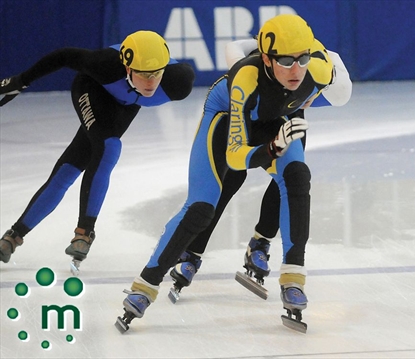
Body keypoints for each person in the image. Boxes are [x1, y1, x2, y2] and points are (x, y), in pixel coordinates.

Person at [117, 14, 336, 331]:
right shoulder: (245, 78)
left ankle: (293, 277)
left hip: (277, 119)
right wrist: (272, 149)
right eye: (286, 60)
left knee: (298, 178)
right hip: (225, 117)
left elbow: (318, 88)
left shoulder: (321, 68)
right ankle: (145, 286)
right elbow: (236, 155)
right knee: (201, 208)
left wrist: (290, 123)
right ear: (265, 58)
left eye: (302, 59)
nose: (295, 70)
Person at [169, 38, 352, 298]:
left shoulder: (323, 73)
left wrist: (303, 98)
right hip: (250, 107)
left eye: (312, 92)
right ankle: (193, 250)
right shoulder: (261, 57)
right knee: (230, 177)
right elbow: (234, 50)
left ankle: (261, 242)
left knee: (290, 178)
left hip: (285, 114)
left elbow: (341, 92)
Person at [0, 31, 195, 271]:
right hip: (91, 88)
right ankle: (85, 232)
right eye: (144, 75)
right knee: (109, 146)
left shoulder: (178, 82)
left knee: (69, 169)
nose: (151, 82)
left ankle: (13, 236)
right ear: (126, 68)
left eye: (156, 74)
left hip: (126, 104)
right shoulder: (104, 65)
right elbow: (63, 56)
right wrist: (20, 81)